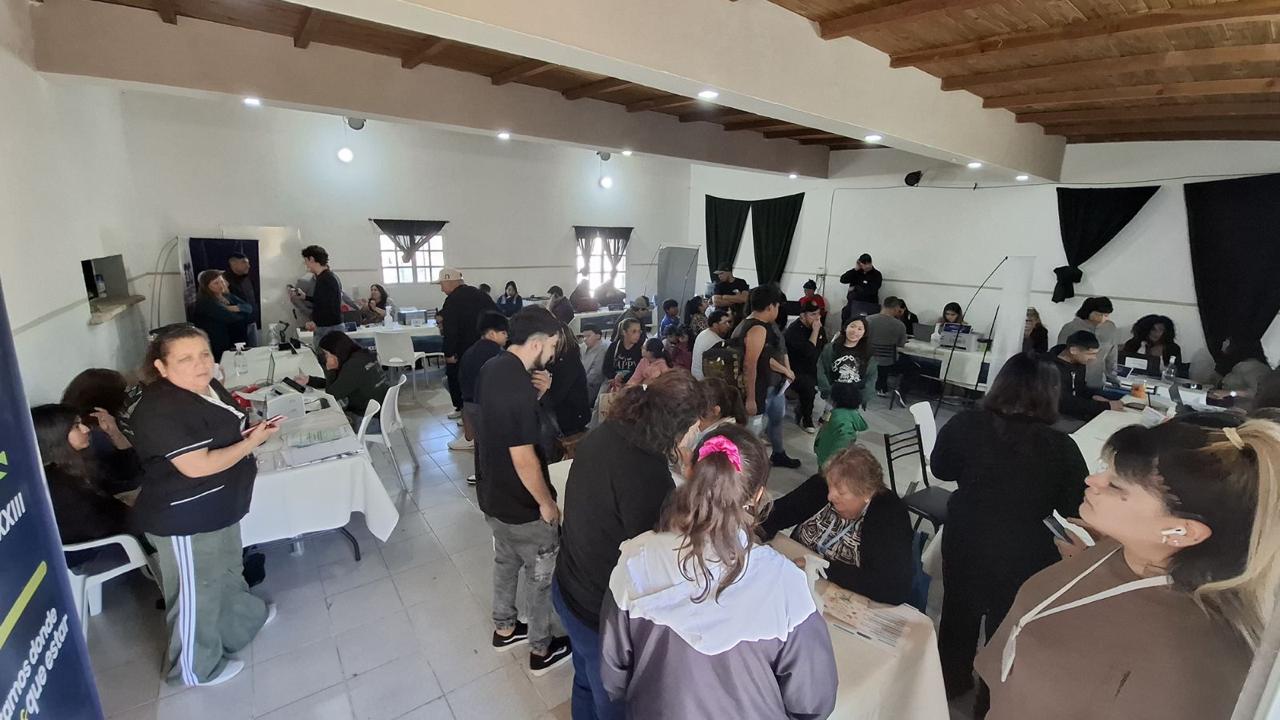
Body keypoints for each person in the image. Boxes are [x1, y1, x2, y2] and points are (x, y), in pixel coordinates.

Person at [975, 418, 1280, 720]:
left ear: (1182, 531)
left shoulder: (1183, 667)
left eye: (1115, 484)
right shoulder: (1124, 550)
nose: (1092, 481)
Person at [599, 425, 838, 718]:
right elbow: (813, 701)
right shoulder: (786, 583)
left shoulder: (635, 560)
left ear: (690, 472)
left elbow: (613, 674)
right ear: (757, 495)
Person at [929, 353, 1090, 704]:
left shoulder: (965, 423)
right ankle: (989, 702)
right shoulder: (1061, 446)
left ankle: (949, 683)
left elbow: (941, 469)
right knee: (1006, 627)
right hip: (1025, 547)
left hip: (967, 533)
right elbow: (1073, 506)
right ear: (1051, 393)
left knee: (958, 612)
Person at [554, 372, 709, 720]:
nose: (695, 434)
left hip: (569, 583)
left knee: (584, 681)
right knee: (615, 703)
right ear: (678, 427)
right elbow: (653, 553)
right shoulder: (645, 469)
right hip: (597, 609)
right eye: (693, 427)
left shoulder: (609, 431)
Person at [129, 325, 278, 687]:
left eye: (204, 354)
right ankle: (196, 667)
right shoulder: (159, 409)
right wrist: (251, 443)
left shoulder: (206, 387)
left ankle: (240, 625)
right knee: (196, 591)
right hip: (186, 516)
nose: (200, 364)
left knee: (227, 571)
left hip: (220, 505)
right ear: (161, 367)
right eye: (185, 359)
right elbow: (197, 465)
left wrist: (248, 434)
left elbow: (222, 432)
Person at [475, 308, 573, 675]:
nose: (554, 352)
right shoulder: (517, 385)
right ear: (537, 343)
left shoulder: (493, 368)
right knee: (541, 574)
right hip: (522, 503)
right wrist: (546, 503)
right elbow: (522, 455)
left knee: (506, 561)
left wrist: (538, 395)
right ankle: (541, 648)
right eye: (553, 345)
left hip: (493, 494)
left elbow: (504, 425)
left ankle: (504, 628)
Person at [760, 444, 913, 605]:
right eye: (830, 486)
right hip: (794, 579)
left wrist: (824, 568)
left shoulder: (889, 514)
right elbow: (774, 514)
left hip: (840, 596)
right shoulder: (823, 485)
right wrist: (757, 534)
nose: (830, 496)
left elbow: (893, 587)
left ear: (866, 493)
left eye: (841, 492)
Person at [31, 404, 134, 550]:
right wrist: (133, 508)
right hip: (104, 548)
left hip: (116, 527)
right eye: (76, 426)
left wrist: (115, 433)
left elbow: (126, 476)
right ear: (55, 436)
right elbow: (99, 527)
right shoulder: (57, 486)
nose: (86, 429)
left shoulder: (74, 462)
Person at [731, 285, 799, 469]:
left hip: (768, 385)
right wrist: (751, 398)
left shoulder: (754, 325)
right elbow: (749, 364)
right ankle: (745, 470)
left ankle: (777, 454)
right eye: (777, 306)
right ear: (770, 306)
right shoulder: (756, 328)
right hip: (757, 389)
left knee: (768, 424)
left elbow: (763, 357)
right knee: (751, 434)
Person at [61, 368, 141, 495]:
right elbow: (129, 480)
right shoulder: (98, 433)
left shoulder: (63, 423)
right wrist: (117, 436)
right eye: (124, 392)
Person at [294, 331, 390, 427]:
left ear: (336, 353)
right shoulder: (363, 355)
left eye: (326, 354)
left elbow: (331, 395)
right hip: (383, 412)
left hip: (369, 420)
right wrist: (309, 380)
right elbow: (343, 383)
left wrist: (330, 369)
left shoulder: (353, 367)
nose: (325, 357)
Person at [438, 267, 498, 419]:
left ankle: (463, 412)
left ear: (451, 282)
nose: (441, 289)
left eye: (442, 284)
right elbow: (497, 317)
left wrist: (449, 353)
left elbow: (450, 330)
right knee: (481, 379)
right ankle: (479, 412)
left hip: (461, 351)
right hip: (486, 347)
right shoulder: (481, 295)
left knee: (458, 380)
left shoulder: (452, 301)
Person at [456, 311, 510, 471]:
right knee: (495, 447)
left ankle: (481, 475)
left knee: (481, 445)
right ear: (492, 333)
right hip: (488, 407)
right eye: (504, 333)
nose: (507, 336)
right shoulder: (498, 355)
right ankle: (493, 475)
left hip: (469, 404)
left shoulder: (470, 351)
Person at [1047, 331, 1123, 421]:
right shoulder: (1049, 368)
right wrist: (1105, 406)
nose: (1094, 358)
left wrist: (1093, 396)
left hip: (1075, 410)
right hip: (1056, 415)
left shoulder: (1078, 362)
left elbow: (1081, 388)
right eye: (1090, 354)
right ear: (1073, 350)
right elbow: (1064, 402)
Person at [817, 316, 877, 425]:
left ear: (864, 333)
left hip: (854, 394)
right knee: (828, 422)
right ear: (845, 328)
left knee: (847, 424)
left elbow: (871, 376)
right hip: (833, 392)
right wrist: (827, 390)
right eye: (852, 326)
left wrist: (863, 396)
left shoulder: (868, 353)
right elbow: (821, 370)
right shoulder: (831, 348)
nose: (855, 331)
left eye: (860, 329)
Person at [784, 299, 828, 433]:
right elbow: (808, 352)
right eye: (813, 314)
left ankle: (827, 415)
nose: (817, 318)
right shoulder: (794, 330)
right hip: (795, 369)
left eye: (818, 314)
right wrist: (815, 331)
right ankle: (806, 418)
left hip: (814, 367)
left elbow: (823, 349)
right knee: (808, 385)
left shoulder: (820, 329)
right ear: (802, 315)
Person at [1056, 296, 1118, 390]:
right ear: (1088, 312)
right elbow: (1061, 355)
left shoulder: (1110, 327)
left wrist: (1113, 378)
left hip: (1096, 380)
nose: (1102, 319)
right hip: (1073, 379)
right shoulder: (1070, 327)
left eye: (1106, 315)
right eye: (1098, 314)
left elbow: (1112, 355)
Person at [190, 269, 254, 360]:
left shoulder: (225, 295)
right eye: (216, 283)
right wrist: (243, 312)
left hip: (232, 340)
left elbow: (249, 307)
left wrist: (235, 308)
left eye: (221, 281)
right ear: (206, 286)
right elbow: (232, 318)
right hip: (219, 344)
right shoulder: (206, 303)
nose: (221, 285)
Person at [545, 322, 593, 440]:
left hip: (572, 417)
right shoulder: (560, 359)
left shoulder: (569, 362)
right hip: (567, 412)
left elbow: (557, 395)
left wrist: (542, 395)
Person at [293, 245, 342, 346]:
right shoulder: (324, 277)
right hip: (328, 327)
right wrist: (305, 297)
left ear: (311, 259)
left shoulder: (326, 279)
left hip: (328, 329)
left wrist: (315, 322)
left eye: (306, 260)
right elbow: (322, 300)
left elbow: (329, 306)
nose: (305, 264)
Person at [865, 296, 911, 397]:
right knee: (912, 365)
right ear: (896, 308)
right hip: (888, 361)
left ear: (883, 305)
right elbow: (901, 344)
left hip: (868, 358)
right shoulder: (900, 325)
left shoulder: (868, 320)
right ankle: (901, 392)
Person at [602, 318, 644, 389]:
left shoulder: (641, 348)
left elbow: (642, 370)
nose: (637, 335)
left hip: (634, 384)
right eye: (634, 331)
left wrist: (624, 378)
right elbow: (606, 368)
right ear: (624, 332)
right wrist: (614, 377)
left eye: (639, 331)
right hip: (613, 382)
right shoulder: (614, 346)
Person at [840, 253, 882, 323]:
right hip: (852, 303)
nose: (864, 267)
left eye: (866, 265)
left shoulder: (876, 275)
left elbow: (872, 290)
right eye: (862, 265)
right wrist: (855, 269)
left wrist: (856, 288)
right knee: (845, 314)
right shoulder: (856, 272)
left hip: (868, 304)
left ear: (870, 263)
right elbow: (843, 280)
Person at [690, 309, 732, 380]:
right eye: (725, 323)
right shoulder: (717, 342)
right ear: (715, 325)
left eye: (728, 322)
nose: (728, 325)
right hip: (704, 380)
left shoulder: (703, 333)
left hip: (695, 376)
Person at [225, 253, 260, 337]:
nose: (248, 266)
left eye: (248, 263)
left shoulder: (248, 278)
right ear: (233, 263)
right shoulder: (224, 281)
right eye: (244, 262)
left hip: (252, 321)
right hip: (236, 326)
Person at [579, 327, 608, 400]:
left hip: (594, 385)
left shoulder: (604, 349)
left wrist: (579, 383)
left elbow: (596, 374)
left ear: (598, 336)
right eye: (584, 336)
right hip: (581, 381)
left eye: (588, 336)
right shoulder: (582, 347)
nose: (585, 339)